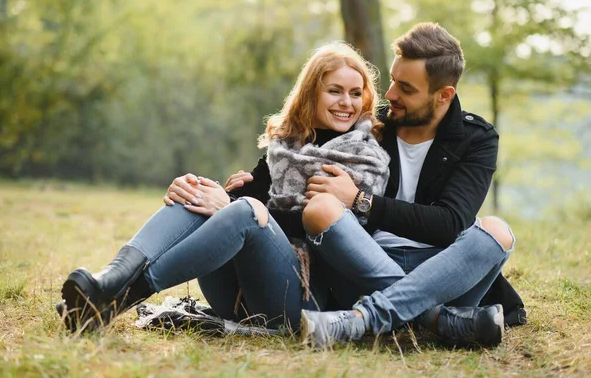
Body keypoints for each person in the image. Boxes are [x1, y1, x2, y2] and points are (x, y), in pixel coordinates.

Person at [197, 23, 519, 348]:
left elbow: (449, 224)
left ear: (443, 96)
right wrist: (242, 193)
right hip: (361, 262)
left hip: (442, 272)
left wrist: (361, 200)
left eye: (405, 88)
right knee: (323, 210)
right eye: (392, 80)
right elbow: (299, 164)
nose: (390, 94)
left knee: (497, 231)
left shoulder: (476, 138)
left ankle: (362, 320)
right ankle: (439, 319)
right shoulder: (369, 123)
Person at [57, 42, 390, 333]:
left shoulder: (364, 157)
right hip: (238, 294)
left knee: (244, 210)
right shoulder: (286, 147)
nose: (346, 102)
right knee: (199, 189)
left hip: (301, 302)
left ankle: (117, 301)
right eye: (335, 90)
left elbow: (334, 238)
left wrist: (234, 206)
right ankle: (111, 278)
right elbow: (243, 205)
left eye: (355, 93)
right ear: (311, 93)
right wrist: (211, 195)